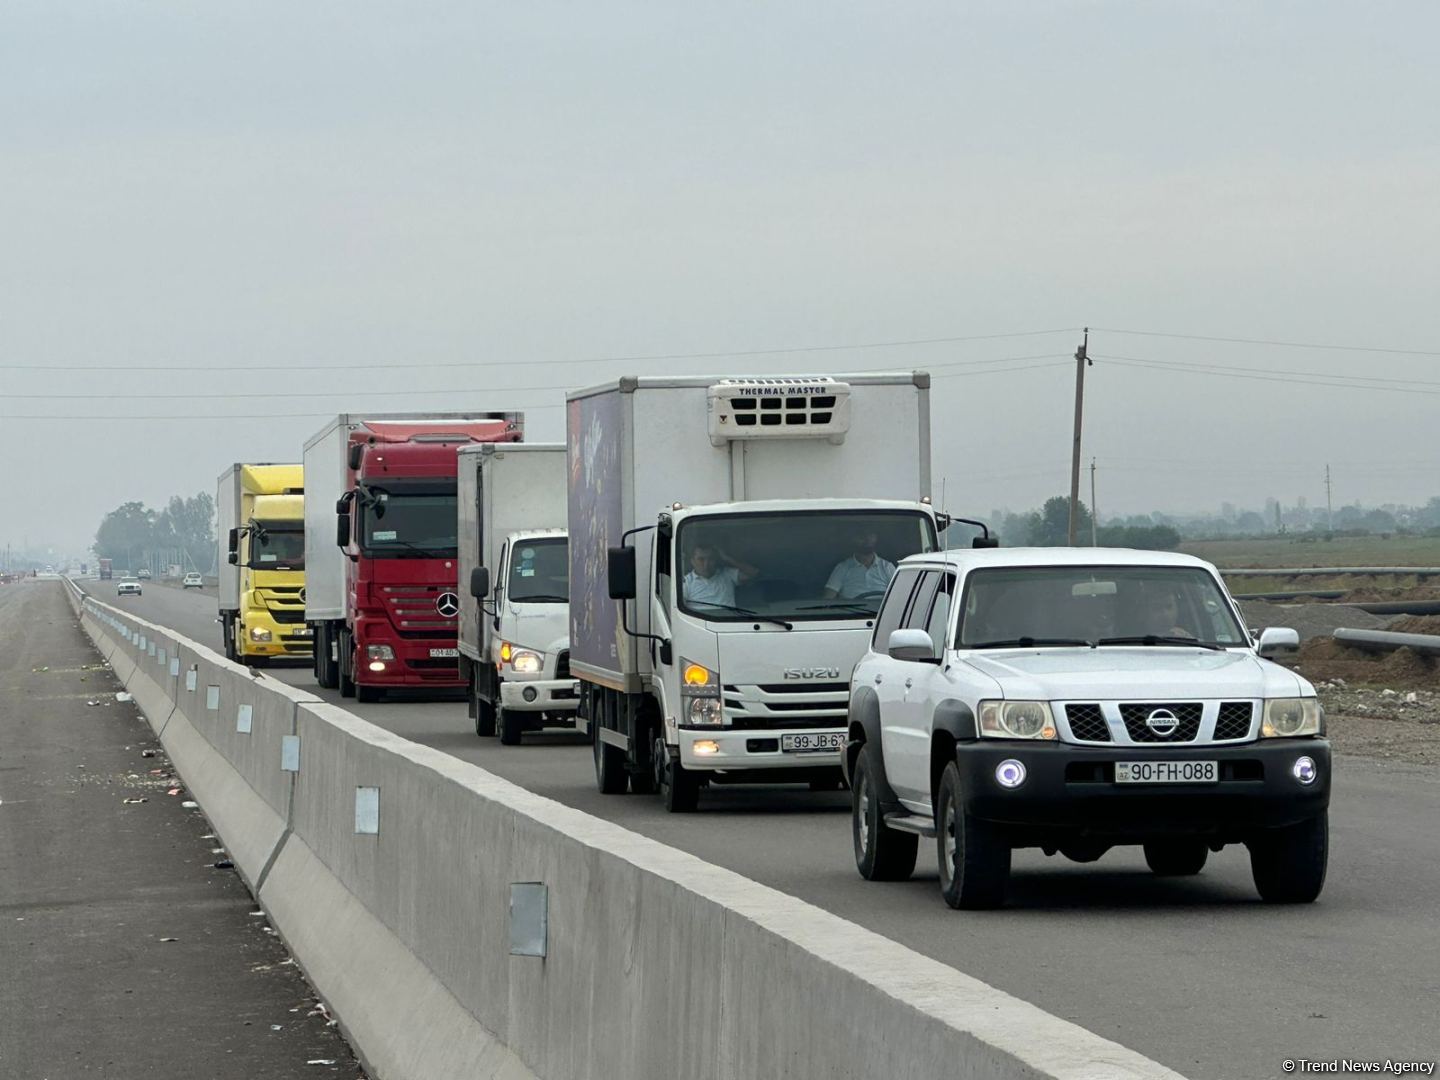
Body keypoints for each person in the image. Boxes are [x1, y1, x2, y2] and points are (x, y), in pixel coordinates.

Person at [823, 529, 896, 600]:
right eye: (862, 535)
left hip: (884, 608)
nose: (867, 539)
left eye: (871, 535)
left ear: (876, 538)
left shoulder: (887, 567)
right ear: (853, 539)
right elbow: (828, 599)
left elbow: (899, 595)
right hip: (851, 608)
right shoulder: (842, 568)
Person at [683, 543, 757, 609]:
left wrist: (727, 558)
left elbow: (753, 573)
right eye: (701, 559)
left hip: (727, 619)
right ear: (692, 561)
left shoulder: (728, 574)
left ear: (716, 560)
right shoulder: (686, 582)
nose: (706, 564)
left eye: (711, 559)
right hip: (697, 620)